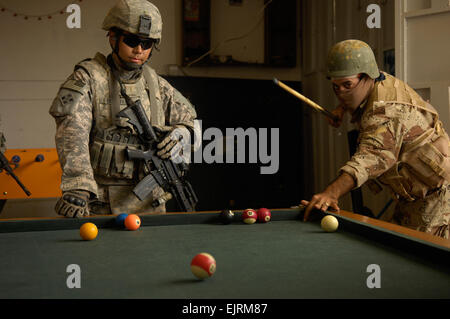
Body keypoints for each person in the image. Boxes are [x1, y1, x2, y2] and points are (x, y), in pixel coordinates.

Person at [49, 0, 198, 218]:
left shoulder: (156, 85)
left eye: (147, 44)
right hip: (99, 203)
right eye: (131, 40)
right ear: (113, 37)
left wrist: (182, 134)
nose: (139, 49)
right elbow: (72, 133)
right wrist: (79, 186)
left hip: (151, 204)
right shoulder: (90, 78)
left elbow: (192, 122)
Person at [301, 39, 450, 239]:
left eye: (347, 85)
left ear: (367, 76)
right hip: (412, 199)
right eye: (336, 87)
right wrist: (342, 109)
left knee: (427, 261)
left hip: (440, 200)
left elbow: (368, 158)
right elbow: (354, 95)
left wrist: (331, 193)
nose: (341, 93)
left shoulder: (386, 110)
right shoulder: (379, 80)